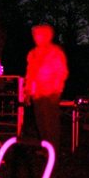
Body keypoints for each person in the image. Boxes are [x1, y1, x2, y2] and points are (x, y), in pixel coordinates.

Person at [25, 24, 68, 155]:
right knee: (41, 123)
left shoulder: (55, 52)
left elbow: (62, 72)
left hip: (50, 94)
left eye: (39, 35)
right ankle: (45, 148)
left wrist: (57, 90)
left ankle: (53, 152)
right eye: (35, 35)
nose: (36, 38)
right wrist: (27, 91)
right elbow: (30, 74)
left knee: (51, 125)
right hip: (37, 95)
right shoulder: (32, 54)